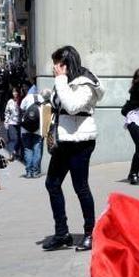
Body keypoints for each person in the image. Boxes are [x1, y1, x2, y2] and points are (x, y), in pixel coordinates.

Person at [40, 45, 104, 252]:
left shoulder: (86, 82)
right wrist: (50, 94)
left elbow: (73, 106)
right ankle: (62, 233)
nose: (53, 68)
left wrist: (59, 82)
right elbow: (60, 104)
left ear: (66, 64)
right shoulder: (65, 81)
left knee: (80, 187)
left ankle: (90, 233)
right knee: (52, 183)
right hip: (63, 141)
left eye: (57, 64)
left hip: (80, 142)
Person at [19, 83, 44, 179]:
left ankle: (28, 172)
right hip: (38, 129)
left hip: (25, 129)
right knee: (37, 150)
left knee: (27, 149)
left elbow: (21, 111)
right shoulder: (42, 99)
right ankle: (35, 172)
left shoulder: (26, 98)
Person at [3, 87, 22, 162]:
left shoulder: (22, 100)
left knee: (19, 140)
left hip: (20, 123)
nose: (15, 93)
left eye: (16, 92)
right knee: (13, 138)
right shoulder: (10, 101)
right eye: (14, 92)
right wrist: (6, 122)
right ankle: (11, 154)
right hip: (11, 122)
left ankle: (15, 151)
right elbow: (7, 112)